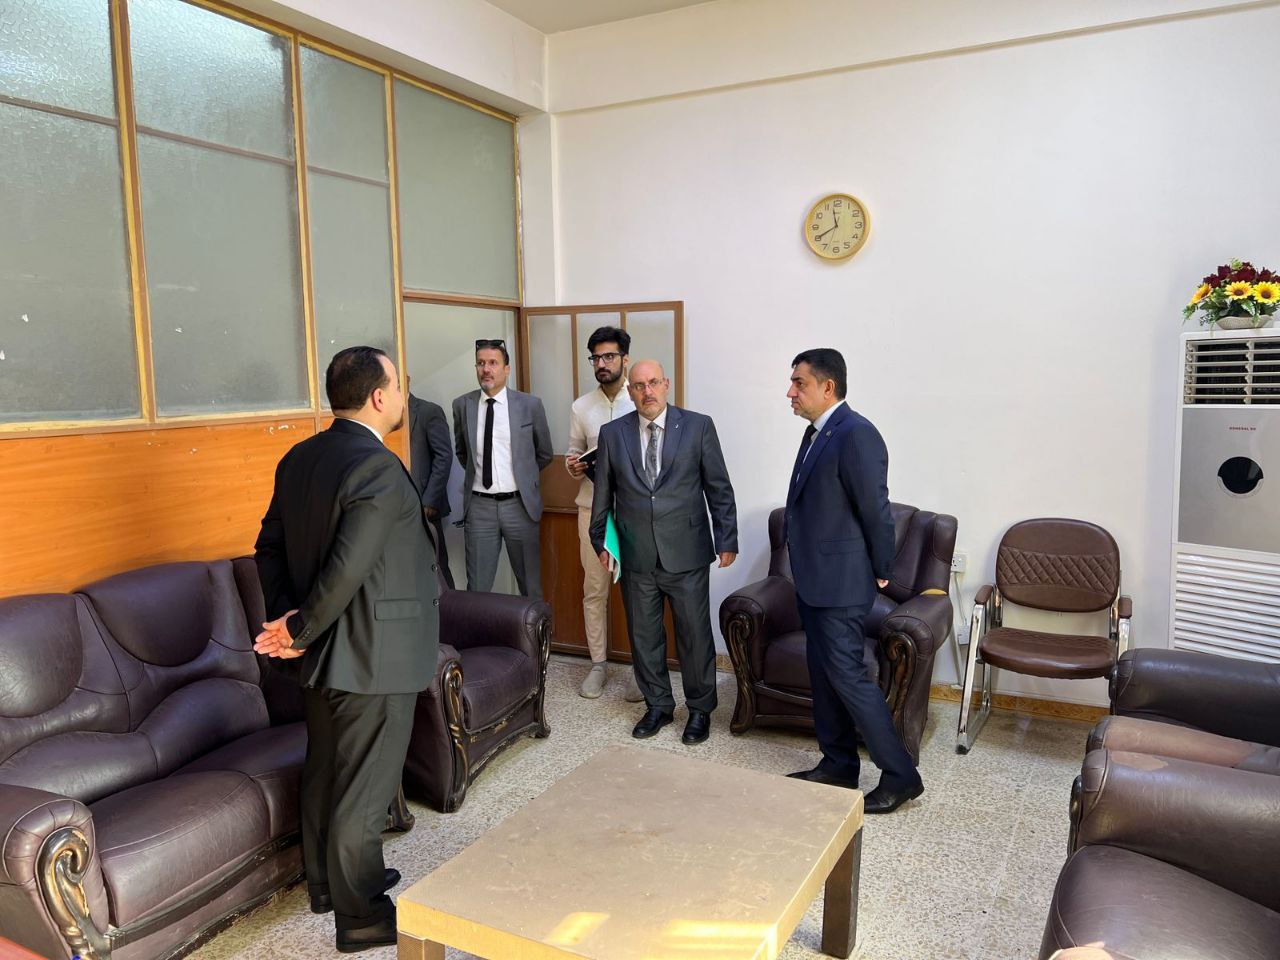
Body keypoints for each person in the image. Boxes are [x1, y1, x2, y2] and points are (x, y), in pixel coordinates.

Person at [253, 346, 441, 950]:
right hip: (374, 652)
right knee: (365, 787)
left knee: (327, 770)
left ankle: (327, 885)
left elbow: (268, 547)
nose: (402, 396)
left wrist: (290, 619)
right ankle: (360, 917)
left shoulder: (300, 457)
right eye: (398, 386)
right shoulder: (378, 466)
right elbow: (348, 565)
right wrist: (298, 628)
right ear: (379, 397)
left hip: (323, 651)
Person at [783, 347, 923, 814]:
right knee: (824, 675)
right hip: (814, 579)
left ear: (828, 387)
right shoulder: (817, 433)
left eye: (799, 383)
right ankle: (838, 764)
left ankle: (901, 776)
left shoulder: (856, 433)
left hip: (841, 582)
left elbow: (875, 510)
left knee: (848, 677)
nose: (790, 392)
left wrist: (883, 568)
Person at [589, 359, 738, 745]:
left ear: (666, 384)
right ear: (631, 391)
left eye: (653, 383)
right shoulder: (613, 434)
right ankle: (657, 705)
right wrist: (601, 542)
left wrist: (726, 538)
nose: (647, 392)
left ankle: (700, 709)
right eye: (639, 386)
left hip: (687, 551)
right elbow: (603, 494)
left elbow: (718, 486)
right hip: (636, 553)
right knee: (644, 635)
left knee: (694, 635)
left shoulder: (698, 426)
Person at [565, 325, 642, 702]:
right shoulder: (581, 407)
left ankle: (641, 668)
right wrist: (572, 465)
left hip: (634, 512)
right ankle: (598, 665)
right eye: (596, 358)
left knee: (638, 591)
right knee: (594, 589)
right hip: (591, 509)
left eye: (609, 356)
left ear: (625, 359)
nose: (602, 363)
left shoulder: (640, 399)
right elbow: (573, 453)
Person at [452, 338, 553, 599]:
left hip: (520, 506)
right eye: (480, 363)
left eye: (493, 363)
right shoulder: (462, 405)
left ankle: (535, 629)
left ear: (506, 369)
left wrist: (523, 478)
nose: (486, 369)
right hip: (479, 508)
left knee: (530, 586)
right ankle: (477, 629)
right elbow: (463, 453)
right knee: (477, 587)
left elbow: (544, 453)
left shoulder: (530, 405)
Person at [407, 377, 455, 586]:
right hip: (395, 506)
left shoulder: (428, 411)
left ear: (407, 379)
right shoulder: (378, 414)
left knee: (437, 568)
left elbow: (443, 457)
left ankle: (450, 607)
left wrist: (429, 501)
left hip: (424, 506)